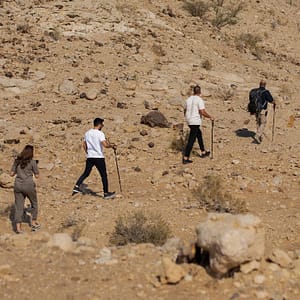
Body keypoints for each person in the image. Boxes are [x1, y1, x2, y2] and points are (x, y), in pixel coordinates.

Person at [72, 117, 117, 199]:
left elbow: (84, 145)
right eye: (102, 124)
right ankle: (106, 193)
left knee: (86, 173)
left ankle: (76, 187)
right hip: (99, 157)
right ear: (99, 124)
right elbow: (105, 145)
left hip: (90, 157)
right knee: (103, 175)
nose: (103, 126)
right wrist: (112, 146)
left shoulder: (87, 133)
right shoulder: (100, 133)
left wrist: (88, 152)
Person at [10, 145, 40, 234]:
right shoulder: (32, 162)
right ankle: (33, 223)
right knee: (34, 203)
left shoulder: (17, 161)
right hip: (29, 185)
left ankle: (18, 229)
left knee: (19, 206)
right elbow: (37, 176)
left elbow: (11, 174)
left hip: (18, 185)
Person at [183, 85, 214, 164]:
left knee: (199, 134)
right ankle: (186, 157)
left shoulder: (188, 99)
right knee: (191, 140)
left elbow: (185, 110)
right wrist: (210, 117)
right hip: (195, 121)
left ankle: (203, 151)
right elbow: (202, 112)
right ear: (200, 92)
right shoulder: (199, 100)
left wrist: (187, 118)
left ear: (193, 91)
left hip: (189, 120)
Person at [251, 80, 276, 144]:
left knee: (258, 122)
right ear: (265, 85)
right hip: (262, 110)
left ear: (259, 84)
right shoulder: (265, 92)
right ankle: (258, 135)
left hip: (255, 109)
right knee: (263, 123)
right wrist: (274, 103)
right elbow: (271, 100)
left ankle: (260, 137)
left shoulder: (254, 91)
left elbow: (250, 99)